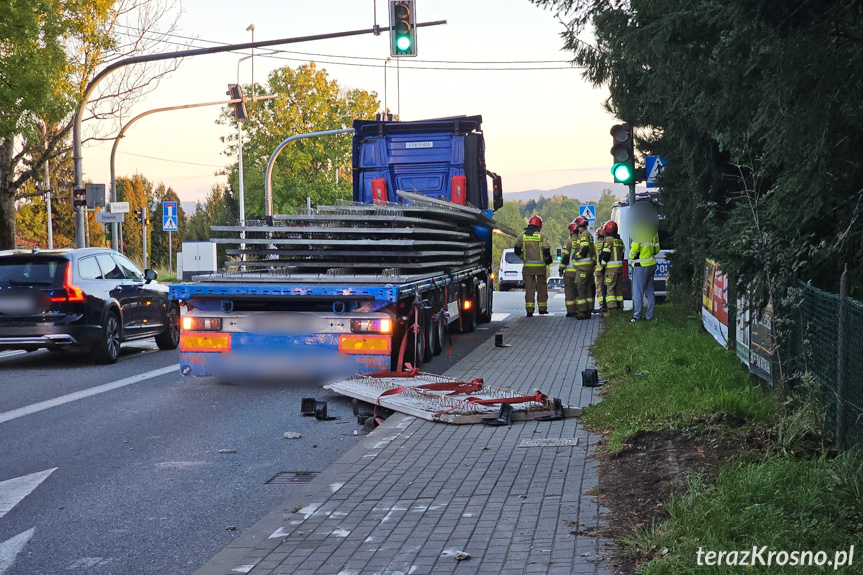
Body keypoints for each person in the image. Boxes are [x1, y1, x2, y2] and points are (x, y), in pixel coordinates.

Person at [514, 215, 553, 316]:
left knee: (529, 288)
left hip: (528, 267)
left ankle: (530, 310)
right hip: (540, 267)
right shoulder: (542, 236)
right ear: (539, 225)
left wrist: (523, 257)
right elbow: (546, 250)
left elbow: (516, 249)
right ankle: (542, 308)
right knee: (542, 288)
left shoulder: (522, 236)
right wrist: (548, 260)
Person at [560, 216, 594, 319]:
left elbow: (566, 257)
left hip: (579, 269)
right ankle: (588, 309)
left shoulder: (573, 240)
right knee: (587, 288)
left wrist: (561, 268)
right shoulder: (588, 235)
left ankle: (580, 311)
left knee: (577, 289)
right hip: (585, 268)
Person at [630, 226, 660, 321]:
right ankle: (649, 316)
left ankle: (637, 316)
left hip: (641, 265)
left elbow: (635, 249)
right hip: (651, 264)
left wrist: (631, 256)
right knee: (650, 292)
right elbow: (657, 249)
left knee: (638, 291)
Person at [598, 220, 626, 311]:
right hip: (619, 269)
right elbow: (622, 255)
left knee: (610, 289)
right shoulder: (620, 240)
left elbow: (605, 254)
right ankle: (620, 307)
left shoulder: (609, 239)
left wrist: (602, 266)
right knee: (618, 290)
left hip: (610, 270)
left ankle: (612, 309)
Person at [594, 224, 607, 313]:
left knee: (599, 288)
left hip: (597, 270)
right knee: (606, 287)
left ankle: (602, 304)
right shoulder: (606, 244)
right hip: (606, 269)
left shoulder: (594, 245)